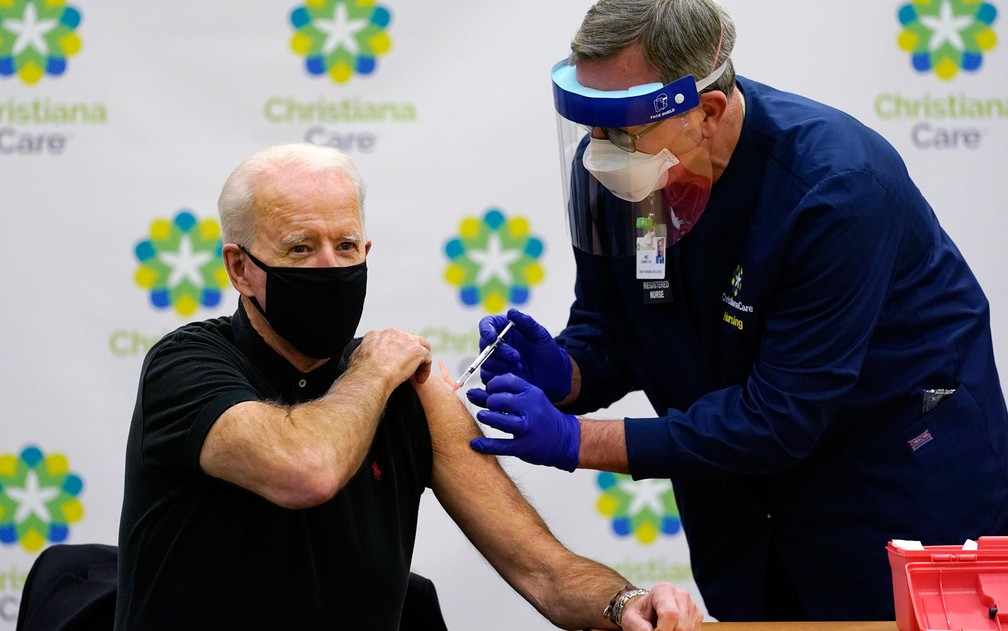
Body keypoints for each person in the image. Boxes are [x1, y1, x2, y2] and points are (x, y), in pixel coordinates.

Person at [465, 0, 1008, 623]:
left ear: (710, 112)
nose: (598, 152)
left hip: (893, 492)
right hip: (742, 513)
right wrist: (567, 372)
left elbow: (781, 416)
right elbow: (617, 326)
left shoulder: (836, 189)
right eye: (590, 126)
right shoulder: (625, 175)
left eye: (620, 130)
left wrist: (573, 439)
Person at [114, 142, 704, 631]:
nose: (330, 268)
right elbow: (305, 470)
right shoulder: (186, 365)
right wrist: (372, 369)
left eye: (345, 246)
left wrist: (627, 604)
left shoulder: (408, 394)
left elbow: (543, 570)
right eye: (300, 248)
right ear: (240, 268)